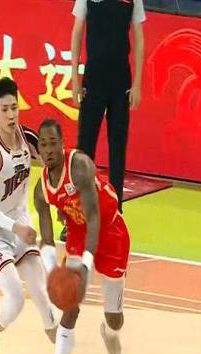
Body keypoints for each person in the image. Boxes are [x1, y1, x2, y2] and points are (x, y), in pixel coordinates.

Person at [0, 78, 79, 354]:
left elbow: (55, 166)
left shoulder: (28, 138)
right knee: (16, 298)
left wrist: (65, 205)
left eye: (15, 108)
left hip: (21, 227)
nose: (11, 115)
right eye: (5, 109)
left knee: (44, 299)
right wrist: (16, 228)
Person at [35, 118, 131, 354]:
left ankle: (110, 334)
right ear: (39, 150)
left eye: (53, 143)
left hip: (110, 231)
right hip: (78, 235)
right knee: (70, 308)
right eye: (43, 145)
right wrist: (53, 271)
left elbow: (94, 219)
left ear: (63, 144)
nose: (49, 150)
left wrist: (86, 266)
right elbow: (46, 239)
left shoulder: (79, 167)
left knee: (115, 318)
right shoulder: (42, 190)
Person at [70, 0, 146, 211]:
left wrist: (137, 83)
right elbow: (77, 32)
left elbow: (139, 39)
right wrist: (75, 78)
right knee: (85, 148)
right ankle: (79, 209)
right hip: (93, 79)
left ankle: (115, 209)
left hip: (121, 81)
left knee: (118, 148)